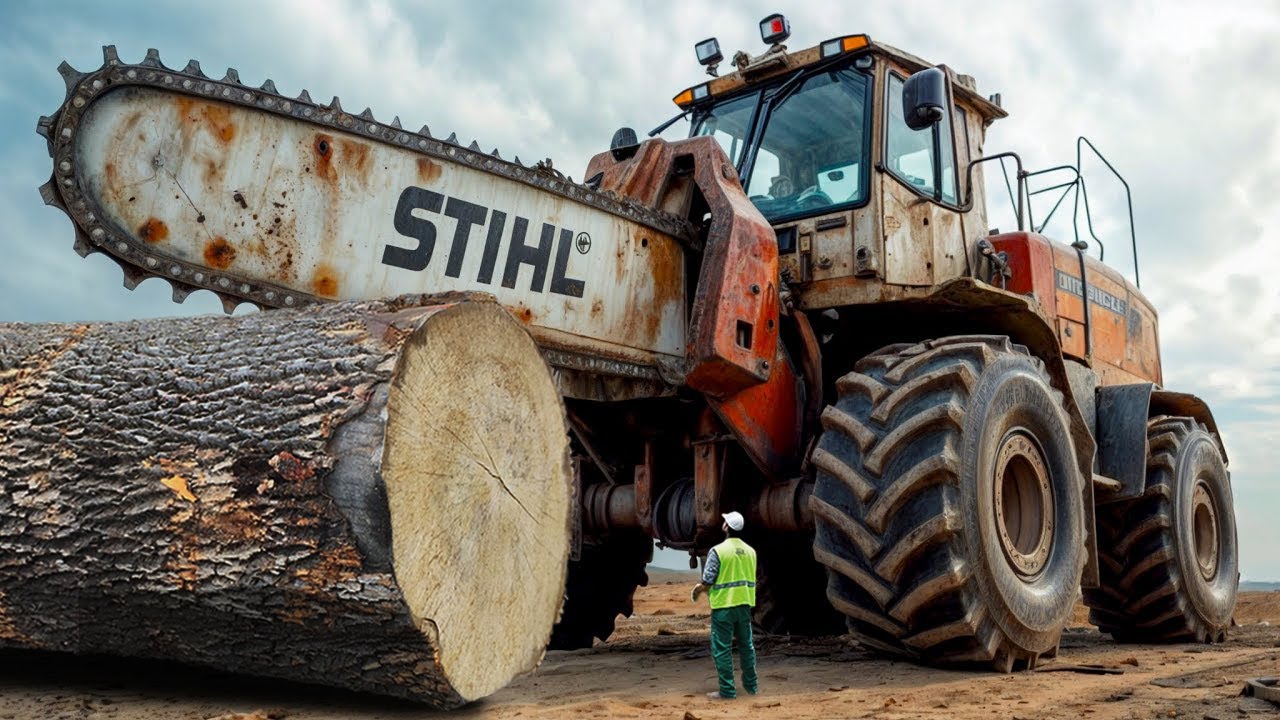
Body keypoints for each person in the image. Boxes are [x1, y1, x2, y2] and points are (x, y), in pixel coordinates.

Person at [690, 511, 758, 700]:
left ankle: (727, 691)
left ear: (726, 527)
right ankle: (751, 687)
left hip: (723, 608)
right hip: (744, 605)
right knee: (747, 646)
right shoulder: (751, 552)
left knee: (722, 649)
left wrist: (699, 589)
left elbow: (709, 579)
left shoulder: (718, 551)